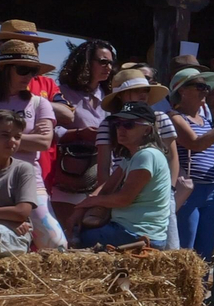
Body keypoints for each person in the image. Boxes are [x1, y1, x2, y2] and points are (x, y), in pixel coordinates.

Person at [71, 102, 173, 248]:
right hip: (131, 231)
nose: (120, 129)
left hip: (136, 234)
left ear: (147, 130)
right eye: (117, 124)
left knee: (83, 238)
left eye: (129, 125)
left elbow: (124, 199)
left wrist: (91, 202)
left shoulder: (146, 156)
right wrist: (81, 208)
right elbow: (107, 187)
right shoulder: (132, 156)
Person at [46, 39, 117, 231]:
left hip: (104, 178)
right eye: (103, 61)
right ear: (85, 62)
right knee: (69, 235)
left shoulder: (110, 96)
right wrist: (78, 134)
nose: (108, 67)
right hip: (73, 177)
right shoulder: (63, 94)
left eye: (111, 62)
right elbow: (49, 130)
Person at [168, 69, 214, 266]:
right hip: (189, 191)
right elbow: (195, 143)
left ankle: (198, 293)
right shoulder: (174, 117)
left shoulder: (207, 121)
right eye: (199, 86)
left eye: (206, 87)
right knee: (186, 249)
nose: (205, 91)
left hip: (212, 189)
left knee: (205, 251)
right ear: (182, 90)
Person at [0, 110, 47, 255]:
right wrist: (9, 217)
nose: (12, 141)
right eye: (4, 135)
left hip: (15, 232)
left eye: (17, 137)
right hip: (10, 224)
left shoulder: (22, 169)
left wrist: (12, 219)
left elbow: (22, 212)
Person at [0, 37, 55, 164]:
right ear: (3, 68)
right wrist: (29, 139)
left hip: (30, 178)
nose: (29, 76)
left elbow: (44, 143)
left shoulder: (39, 103)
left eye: (34, 71)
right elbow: (37, 142)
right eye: (23, 69)